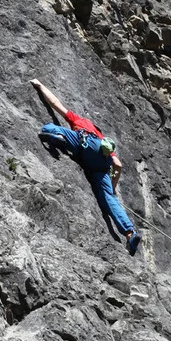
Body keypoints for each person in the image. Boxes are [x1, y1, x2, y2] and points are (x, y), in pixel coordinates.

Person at [32, 78, 142, 256]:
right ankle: (130, 233)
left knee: (49, 127)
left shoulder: (82, 122)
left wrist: (40, 85)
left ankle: (60, 137)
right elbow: (118, 165)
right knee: (108, 198)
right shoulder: (104, 142)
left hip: (86, 144)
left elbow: (54, 103)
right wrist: (113, 186)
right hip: (101, 166)